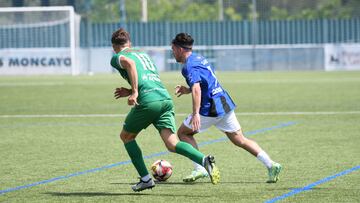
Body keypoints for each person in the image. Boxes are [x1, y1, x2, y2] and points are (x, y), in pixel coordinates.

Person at [110, 28, 220, 192]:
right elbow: (146, 76)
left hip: (148, 101)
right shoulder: (143, 55)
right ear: (130, 43)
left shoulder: (117, 57)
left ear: (113, 46)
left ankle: (146, 179)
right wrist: (131, 90)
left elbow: (130, 64)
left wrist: (134, 92)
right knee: (172, 143)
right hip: (164, 99)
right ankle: (204, 160)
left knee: (126, 136)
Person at [171, 32, 282, 183]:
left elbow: (198, 89)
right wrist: (188, 89)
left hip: (209, 108)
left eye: (173, 49)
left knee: (183, 133)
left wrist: (195, 113)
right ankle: (271, 164)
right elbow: (206, 82)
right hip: (223, 103)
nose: (173, 53)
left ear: (179, 49)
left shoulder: (188, 66)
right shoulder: (200, 58)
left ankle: (200, 169)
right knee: (240, 140)